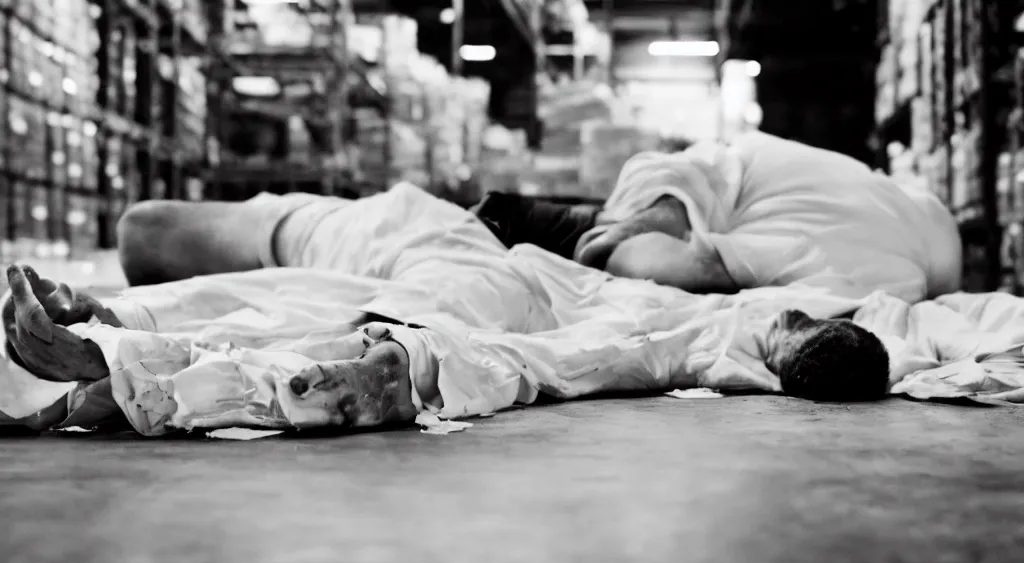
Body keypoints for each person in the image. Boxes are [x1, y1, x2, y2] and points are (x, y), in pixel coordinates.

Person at [2, 178, 892, 435]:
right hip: (432, 246)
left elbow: (638, 250)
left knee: (384, 296)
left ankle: (125, 334)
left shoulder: (725, 252)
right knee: (396, 299)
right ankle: (127, 335)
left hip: (426, 238)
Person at [116, 131, 962, 305]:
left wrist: (645, 225)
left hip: (506, 240)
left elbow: (677, 175)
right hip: (493, 245)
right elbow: (651, 262)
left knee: (152, 233)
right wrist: (638, 236)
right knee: (148, 235)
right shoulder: (882, 265)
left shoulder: (843, 179)